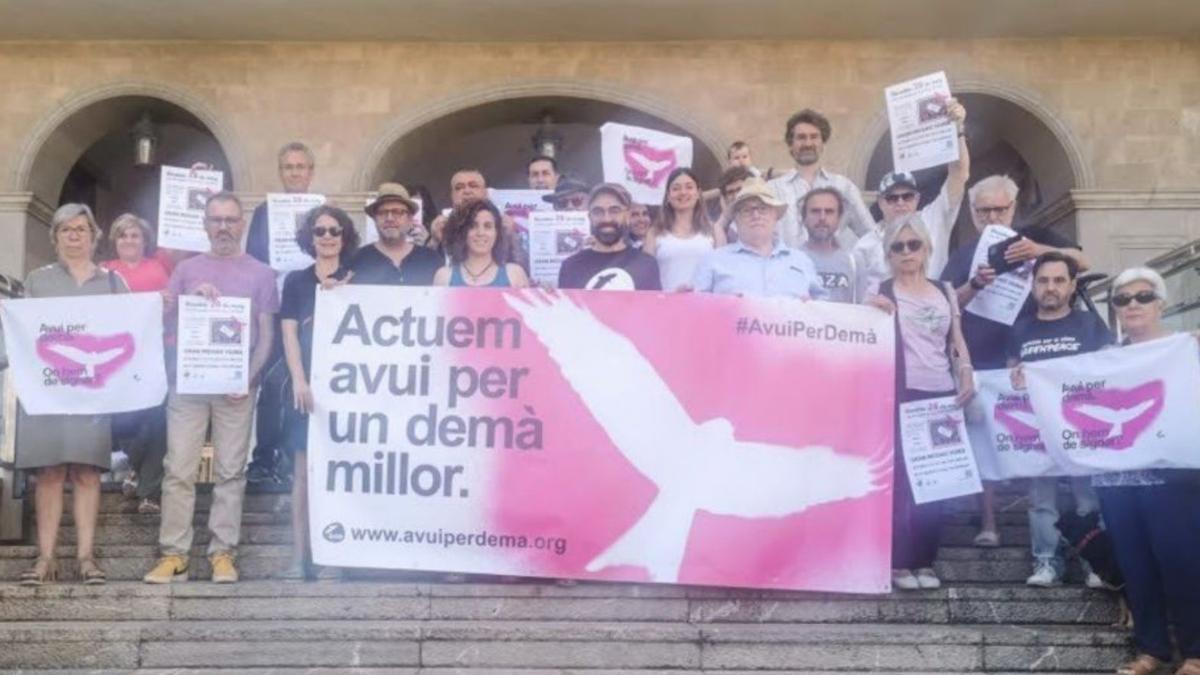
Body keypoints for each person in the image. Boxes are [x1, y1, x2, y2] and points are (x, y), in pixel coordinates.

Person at [942, 174, 1089, 547]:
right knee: (986, 440)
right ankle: (989, 522)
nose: (992, 216)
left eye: (1000, 208)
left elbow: (1083, 261)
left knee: (1058, 430)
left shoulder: (1037, 236)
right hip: (985, 359)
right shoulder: (964, 253)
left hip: (1039, 352)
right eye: (983, 210)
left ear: (1013, 207)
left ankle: (1080, 526)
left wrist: (1038, 250)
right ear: (973, 214)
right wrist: (975, 284)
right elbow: (946, 307)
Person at [143, 192, 279, 584]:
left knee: (230, 471)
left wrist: (248, 378)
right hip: (188, 383)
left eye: (231, 220)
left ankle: (223, 553)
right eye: (216, 219)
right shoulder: (186, 269)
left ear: (242, 224)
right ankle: (174, 555)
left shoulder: (261, 273)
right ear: (205, 224)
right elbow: (165, 323)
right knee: (178, 469)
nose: (223, 227)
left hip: (236, 387)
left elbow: (265, 335)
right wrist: (184, 299)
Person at [15, 204, 131, 586]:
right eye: (66, 229)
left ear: (95, 236)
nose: (75, 236)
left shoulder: (113, 283)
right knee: (48, 473)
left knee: (86, 472)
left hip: (92, 394)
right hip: (48, 391)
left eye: (82, 229)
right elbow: (24, 334)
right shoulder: (37, 280)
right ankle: (45, 558)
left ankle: (86, 558)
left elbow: (131, 333)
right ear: (55, 237)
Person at [1096, 267, 1200, 675]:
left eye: (1142, 297)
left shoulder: (1185, 347)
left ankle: (1195, 652)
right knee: (1135, 564)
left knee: (1181, 562)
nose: (1132, 305)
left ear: (1161, 304)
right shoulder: (1104, 358)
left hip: (1172, 475)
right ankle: (1151, 650)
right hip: (1118, 478)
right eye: (1122, 299)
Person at [866, 213, 974, 591]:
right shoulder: (880, 291)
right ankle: (899, 562)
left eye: (914, 245)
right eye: (898, 246)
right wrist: (871, 314)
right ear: (888, 254)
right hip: (899, 394)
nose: (907, 252)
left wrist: (965, 370)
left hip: (941, 394)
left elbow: (956, 338)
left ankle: (926, 560)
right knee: (899, 484)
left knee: (937, 482)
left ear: (927, 248)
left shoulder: (945, 290)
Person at [1008, 252, 1110, 589]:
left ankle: (1095, 564)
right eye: (1043, 281)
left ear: (1072, 285)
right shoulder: (1020, 328)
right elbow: (1008, 377)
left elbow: (1111, 370)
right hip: (1036, 431)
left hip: (1082, 430)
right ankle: (1046, 563)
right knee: (1041, 501)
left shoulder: (1090, 325)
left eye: (1058, 280)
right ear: (1033, 285)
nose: (1050, 288)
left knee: (1088, 499)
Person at [277, 205, 359, 581]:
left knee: (340, 474)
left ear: (345, 237)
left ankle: (335, 556)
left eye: (334, 231)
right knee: (302, 475)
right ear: (310, 238)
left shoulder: (359, 276)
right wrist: (298, 380)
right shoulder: (295, 281)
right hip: (307, 389)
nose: (327, 237)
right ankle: (299, 556)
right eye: (320, 231)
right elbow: (289, 332)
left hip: (349, 391)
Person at [243, 142, 317, 488]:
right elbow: (254, 258)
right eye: (288, 167)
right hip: (273, 307)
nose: (295, 173)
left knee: (305, 384)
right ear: (281, 173)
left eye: (300, 166)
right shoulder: (263, 212)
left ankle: (296, 457)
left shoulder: (323, 213)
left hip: (310, 308)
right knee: (272, 384)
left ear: (311, 172)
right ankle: (264, 458)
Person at [853, 96, 970, 298]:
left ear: (916, 199)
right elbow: (858, 297)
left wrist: (957, 129)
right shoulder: (864, 245)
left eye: (906, 196)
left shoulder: (934, 218)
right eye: (892, 198)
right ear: (881, 203)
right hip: (886, 323)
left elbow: (959, 173)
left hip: (931, 318)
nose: (900, 202)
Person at [101, 213, 170, 514]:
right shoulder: (104, 272)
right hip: (118, 359)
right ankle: (134, 466)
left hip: (156, 352)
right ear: (114, 241)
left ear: (145, 241)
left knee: (158, 418)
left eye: (135, 236)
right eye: (123, 236)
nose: (129, 241)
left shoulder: (159, 269)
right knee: (130, 420)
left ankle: (148, 491)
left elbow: (170, 308)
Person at [691, 178, 822, 299]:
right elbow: (695, 310)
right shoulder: (713, 261)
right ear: (736, 219)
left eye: (763, 208)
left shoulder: (802, 261)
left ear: (775, 216)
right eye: (747, 210)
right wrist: (681, 299)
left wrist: (813, 308)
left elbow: (826, 310)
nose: (756, 215)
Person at [768, 108, 874, 248]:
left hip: (832, 268)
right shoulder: (772, 190)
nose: (808, 144)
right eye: (801, 137)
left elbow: (872, 236)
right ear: (790, 145)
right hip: (786, 268)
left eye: (814, 137)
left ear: (823, 143)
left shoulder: (844, 187)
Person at [558, 183, 661, 291]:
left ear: (627, 216)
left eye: (614, 211)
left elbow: (654, 307)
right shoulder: (570, 267)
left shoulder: (646, 265)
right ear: (589, 217)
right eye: (598, 211)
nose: (606, 219)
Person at [644, 168, 727, 291]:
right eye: (676, 188)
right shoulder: (654, 233)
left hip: (705, 307)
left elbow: (723, 275)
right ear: (668, 196)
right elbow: (646, 276)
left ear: (698, 193)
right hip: (666, 306)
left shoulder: (714, 230)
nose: (683, 192)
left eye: (689, 187)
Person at [351, 183, 443, 286]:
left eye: (397, 212)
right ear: (374, 219)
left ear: (410, 219)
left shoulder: (431, 260)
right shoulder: (356, 260)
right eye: (382, 212)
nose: (389, 218)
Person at [433, 199, 531, 288]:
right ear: (462, 232)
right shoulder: (444, 277)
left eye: (488, 226)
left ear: (497, 232)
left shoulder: (515, 274)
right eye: (473, 226)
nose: (481, 233)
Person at [799, 188, 858, 303]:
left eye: (829, 211)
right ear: (804, 217)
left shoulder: (854, 263)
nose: (822, 217)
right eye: (815, 211)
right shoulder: (790, 260)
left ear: (839, 218)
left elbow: (864, 310)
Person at [712, 165, 754, 242]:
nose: (736, 196)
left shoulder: (763, 218)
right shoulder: (723, 226)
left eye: (739, 189)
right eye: (730, 192)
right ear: (724, 197)